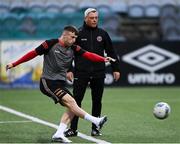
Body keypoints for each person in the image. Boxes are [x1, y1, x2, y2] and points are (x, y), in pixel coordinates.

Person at [6, 25, 115, 143]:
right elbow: (32, 54)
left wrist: (103, 59)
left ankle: (58, 134)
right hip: (48, 82)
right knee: (73, 102)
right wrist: (14, 64)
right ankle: (95, 121)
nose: (74, 40)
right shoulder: (50, 44)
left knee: (72, 107)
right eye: (72, 37)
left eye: (75, 38)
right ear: (65, 35)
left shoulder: (74, 48)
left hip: (59, 83)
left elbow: (88, 54)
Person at [65, 8, 120, 137]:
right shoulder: (77, 33)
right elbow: (69, 53)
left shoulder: (103, 34)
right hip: (81, 72)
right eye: (91, 18)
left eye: (96, 18)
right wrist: (69, 69)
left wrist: (116, 68)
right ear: (85, 18)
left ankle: (95, 128)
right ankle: (73, 129)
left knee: (97, 101)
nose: (94, 20)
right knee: (76, 101)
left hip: (98, 72)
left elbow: (111, 52)